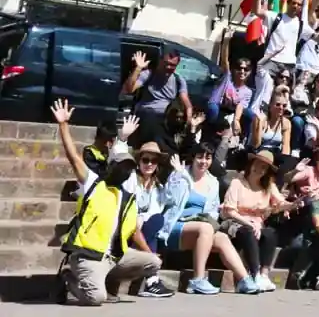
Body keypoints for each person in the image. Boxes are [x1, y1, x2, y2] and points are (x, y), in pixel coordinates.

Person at [51, 100, 172, 304]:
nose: (126, 171)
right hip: (89, 255)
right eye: (122, 166)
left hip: (113, 257)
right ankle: (69, 280)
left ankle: (105, 282)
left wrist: (150, 253)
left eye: (129, 168)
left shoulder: (128, 198)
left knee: (153, 262)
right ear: (112, 168)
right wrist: (63, 125)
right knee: (96, 298)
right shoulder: (94, 184)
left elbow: (134, 230)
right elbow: (73, 158)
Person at [157, 144, 256, 295]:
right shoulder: (180, 174)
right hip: (175, 226)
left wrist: (212, 217)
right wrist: (178, 176)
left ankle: (244, 280)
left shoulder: (213, 182)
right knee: (205, 228)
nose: (203, 161)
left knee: (221, 237)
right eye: (200, 157)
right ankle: (197, 280)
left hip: (200, 228)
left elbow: (212, 212)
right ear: (193, 158)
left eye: (208, 158)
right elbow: (167, 199)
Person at [222, 149, 297, 292]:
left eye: (264, 167)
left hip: (258, 225)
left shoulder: (269, 186)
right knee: (249, 231)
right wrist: (248, 223)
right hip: (236, 222)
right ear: (251, 164)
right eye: (257, 164)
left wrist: (293, 204)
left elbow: (281, 203)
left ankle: (264, 275)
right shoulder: (237, 183)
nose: (259, 169)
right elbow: (230, 210)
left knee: (270, 233)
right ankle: (254, 274)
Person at [123, 49, 194, 134]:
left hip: (166, 120)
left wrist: (188, 120)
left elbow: (187, 103)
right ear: (160, 61)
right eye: (166, 63)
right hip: (146, 116)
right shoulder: (148, 74)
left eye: (172, 65)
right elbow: (129, 89)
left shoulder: (178, 80)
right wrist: (138, 68)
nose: (168, 67)